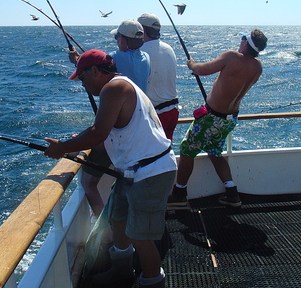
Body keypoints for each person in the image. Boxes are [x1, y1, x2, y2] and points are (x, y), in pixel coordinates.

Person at [45, 49, 177, 288]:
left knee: (141, 237)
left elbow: (99, 132)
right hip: (132, 170)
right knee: (117, 221)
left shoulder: (113, 89)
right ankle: (121, 270)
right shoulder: (119, 84)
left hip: (152, 171)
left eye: (82, 78)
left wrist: (62, 148)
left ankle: (153, 284)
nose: (83, 85)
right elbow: (102, 128)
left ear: (95, 71)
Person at [168, 30, 268, 208]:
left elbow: (202, 70)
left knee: (186, 149)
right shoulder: (257, 66)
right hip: (229, 119)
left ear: (246, 44)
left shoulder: (232, 57)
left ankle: (179, 194)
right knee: (214, 152)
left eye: (243, 38)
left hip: (212, 118)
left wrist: (192, 65)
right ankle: (232, 194)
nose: (240, 40)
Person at [68, 19, 151, 217]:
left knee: (88, 183)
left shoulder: (115, 59)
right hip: (135, 130)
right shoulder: (146, 58)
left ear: (122, 39)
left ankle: (105, 231)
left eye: (116, 37)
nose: (115, 41)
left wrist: (77, 61)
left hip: (116, 131)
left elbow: (98, 68)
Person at [137, 13, 180, 141]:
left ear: (142, 30)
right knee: (164, 152)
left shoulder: (141, 52)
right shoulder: (168, 48)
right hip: (173, 111)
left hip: (155, 115)